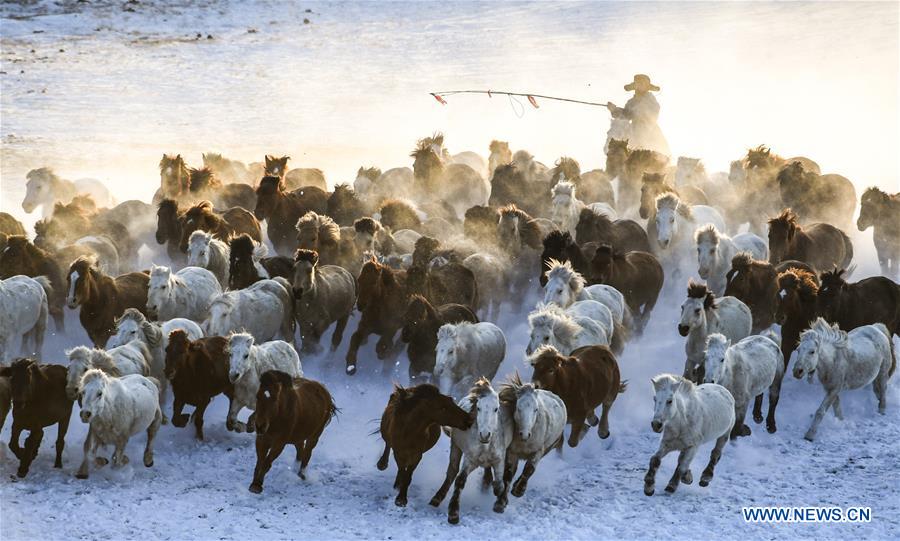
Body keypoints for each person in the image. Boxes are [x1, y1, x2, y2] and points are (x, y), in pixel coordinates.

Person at [606, 74, 671, 158]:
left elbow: (652, 113)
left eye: (642, 83)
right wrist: (614, 109)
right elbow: (626, 115)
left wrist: (636, 113)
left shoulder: (650, 99)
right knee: (634, 157)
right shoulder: (631, 102)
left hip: (650, 132)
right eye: (638, 83)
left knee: (655, 157)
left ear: (647, 87)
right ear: (635, 85)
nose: (640, 85)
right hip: (635, 133)